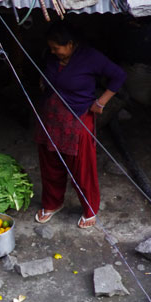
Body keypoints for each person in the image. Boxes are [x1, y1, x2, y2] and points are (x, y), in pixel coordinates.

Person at [34, 22, 126, 229]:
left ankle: (89, 208)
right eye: (51, 47)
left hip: (78, 118)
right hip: (51, 117)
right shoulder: (51, 56)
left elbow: (119, 76)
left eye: (57, 47)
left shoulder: (90, 57)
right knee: (50, 163)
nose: (53, 51)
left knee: (82, 167)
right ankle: (52, 203)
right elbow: (47, 73)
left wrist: (101, 102)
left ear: (71, 44)